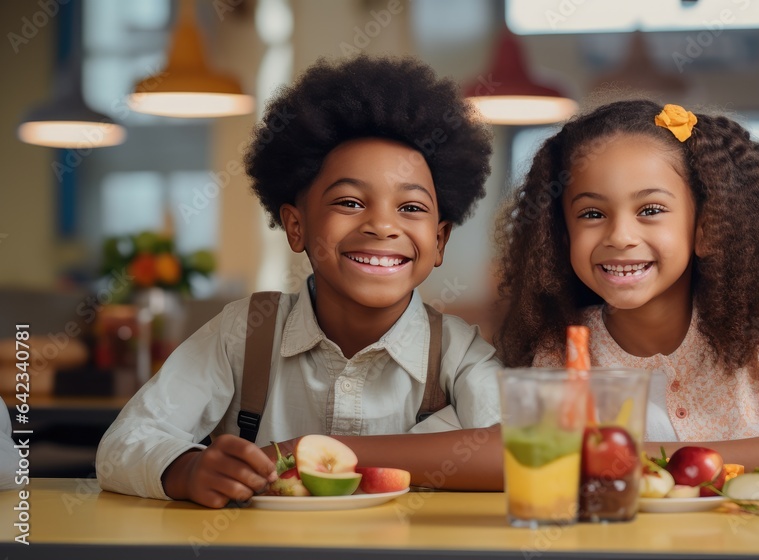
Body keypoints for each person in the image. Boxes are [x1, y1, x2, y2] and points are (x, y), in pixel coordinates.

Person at [98, 56, 503, 508]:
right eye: (350, 202)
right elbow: (124, 444)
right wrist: (188, 469)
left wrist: (304, 451)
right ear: (296, 226)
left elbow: (514, 450)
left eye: (411, 208)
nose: (383, 226)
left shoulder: (457, 352)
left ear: (440, 240)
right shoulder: (245, 332)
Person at [494, 100, 759, 483]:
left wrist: (636, 456)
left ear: (707, 228)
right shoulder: (564, 348)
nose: (620, 236)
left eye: (651, 210)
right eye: (592, 214)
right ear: (560, 234)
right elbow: (539, 461)